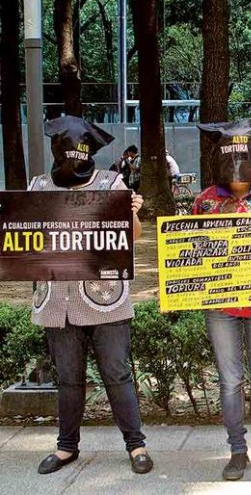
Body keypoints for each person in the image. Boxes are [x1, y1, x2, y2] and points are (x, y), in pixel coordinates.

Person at [30, 116, 150, 475]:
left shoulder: (110, 183)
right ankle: (66, 446)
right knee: (68, 377)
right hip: (56, 301)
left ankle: (136, 445)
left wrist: (132, 213)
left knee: (117, 373)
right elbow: (25, 238)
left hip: (105, 298)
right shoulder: (38, 187)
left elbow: (133, 236)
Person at [194, 114, 251, 480]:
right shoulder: (205, 202)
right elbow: (192, 252)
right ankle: (236, 450)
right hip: (221, 305)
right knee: (229, 380)